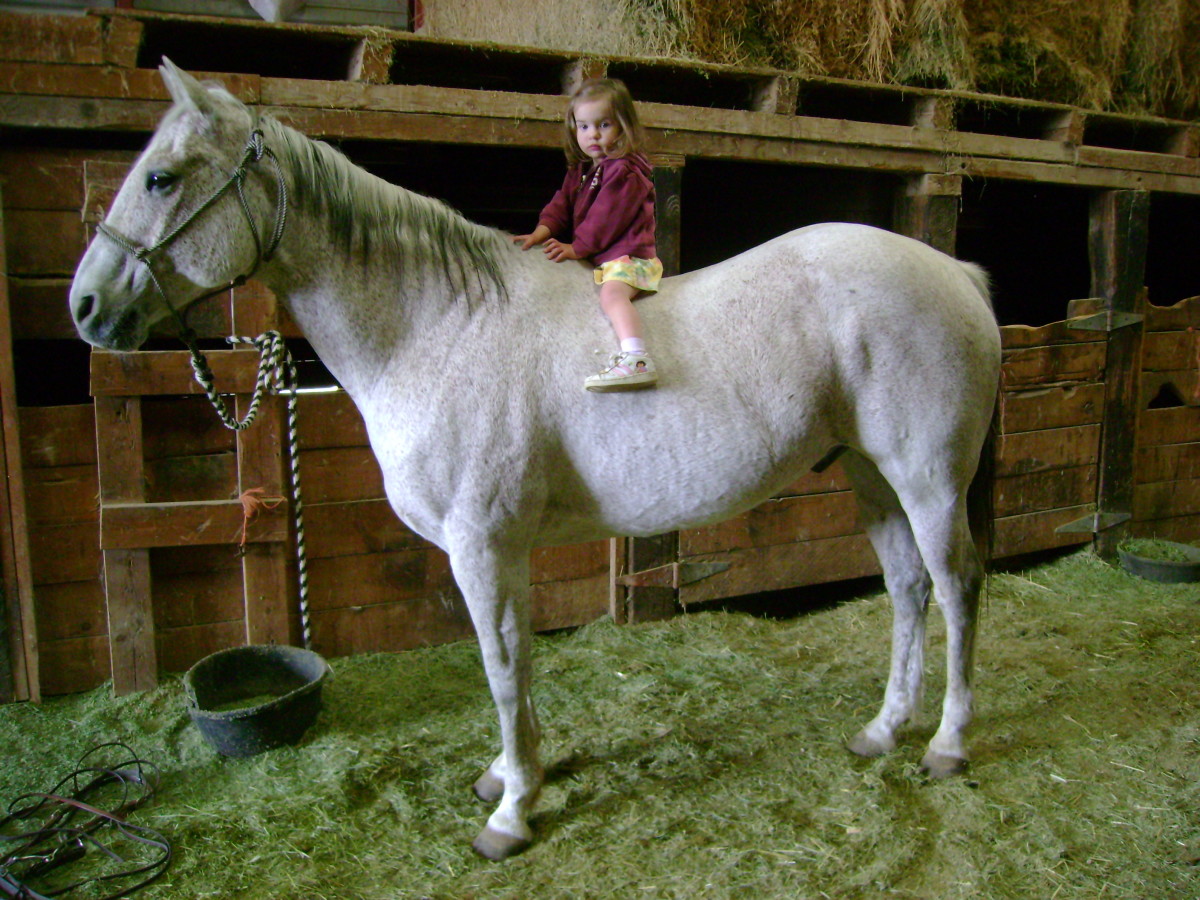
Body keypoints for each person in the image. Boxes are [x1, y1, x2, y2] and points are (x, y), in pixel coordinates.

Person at [513, 78, 662, 392]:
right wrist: (540, 232)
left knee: (612, 295)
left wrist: (576, 248)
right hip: (603, 256)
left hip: (631, 256)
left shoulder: (625, 171)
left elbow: (605, 219)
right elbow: (561, 204)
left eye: (604, 124)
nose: (592, 134)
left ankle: (637, 358)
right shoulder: (582, 170)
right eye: (583, 126)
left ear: (624, 126)